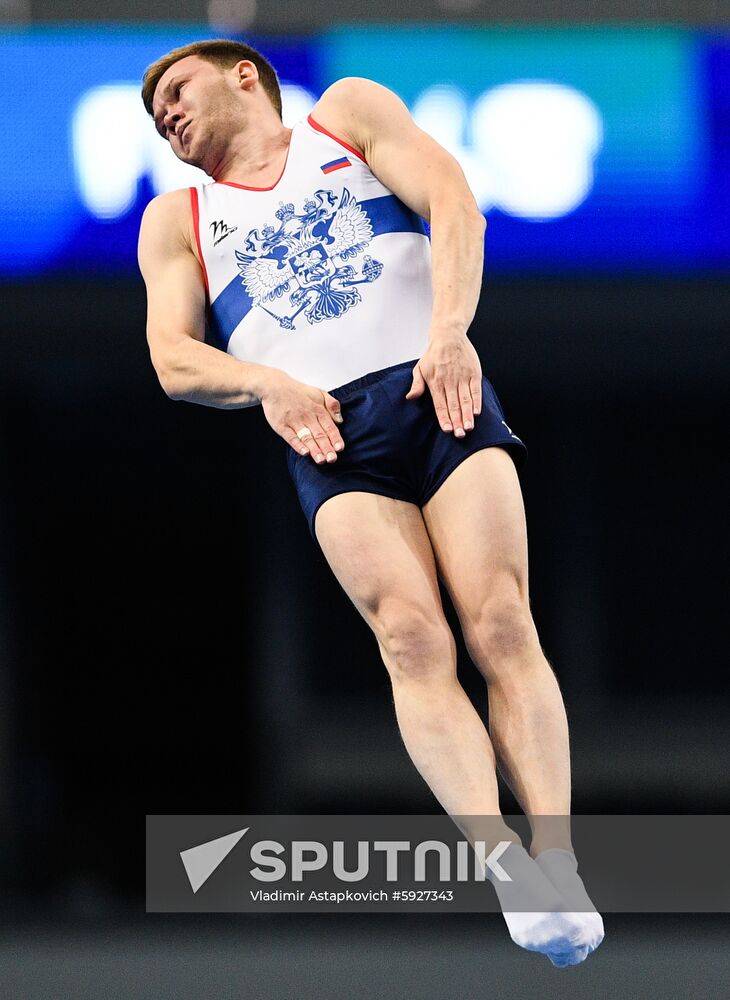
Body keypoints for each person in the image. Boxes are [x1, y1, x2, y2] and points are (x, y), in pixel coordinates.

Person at [138, 39, 604, 966]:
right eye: (156, 119)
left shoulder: (342, 116)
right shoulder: (178, 217)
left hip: (437, 388)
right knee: (411, 638)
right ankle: (506, 865)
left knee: (502, 624)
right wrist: (269, 384)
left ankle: (556, 855)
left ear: (245, 75)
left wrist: (450, 335)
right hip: (328, 432)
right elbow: (173, 358)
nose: (169, 118)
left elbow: (454, 206)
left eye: (178, 92)